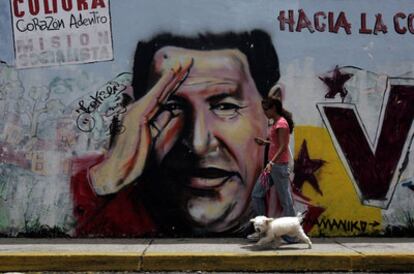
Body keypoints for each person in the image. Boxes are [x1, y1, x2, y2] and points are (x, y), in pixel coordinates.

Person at [71, 29, 283, 237]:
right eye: (171, 107)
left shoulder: (305, 215)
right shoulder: (99, 196)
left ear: (272, 109)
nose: (198, 143)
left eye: (226, 107)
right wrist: (104, 181)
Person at [247, 96, 296, 240]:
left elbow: (283, 146)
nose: (264, 113)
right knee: (257, 194)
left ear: (274, 108)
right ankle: (263, 231)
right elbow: (276, 142)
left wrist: (271, 162)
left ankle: (292, 235)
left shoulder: (282, 124)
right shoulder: (275, 123)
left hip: (278, 167)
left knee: (286, 201)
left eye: (266, 109)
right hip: (272, 166)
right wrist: (265, 142)